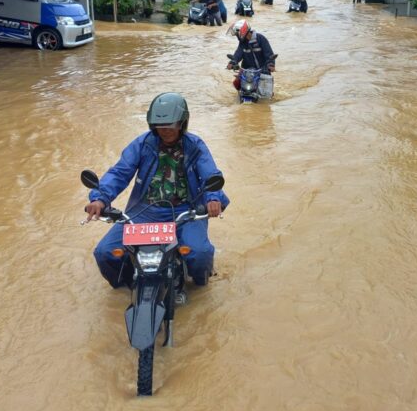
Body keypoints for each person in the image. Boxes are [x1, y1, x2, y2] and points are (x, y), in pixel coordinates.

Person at [84, 93, 229, 289]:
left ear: (182, 123)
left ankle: (201, 284)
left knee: (200, 253)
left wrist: (213, 198)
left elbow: (210, 173)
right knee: (105, 252)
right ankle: (127, 285)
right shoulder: (142, 144)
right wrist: (100, 199)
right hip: (145, 211)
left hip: (186, 211)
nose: (165, 130)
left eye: (171, 125)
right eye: (160, 126)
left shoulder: (195, 146)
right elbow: (119, 172)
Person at [226, 19, 276, 90]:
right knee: (236, 84)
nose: (237, 37)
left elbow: (269, 54)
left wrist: (271, 65)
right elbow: (238, 54)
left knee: (267, 91)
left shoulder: (261, 39)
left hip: (263, 70)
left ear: (243, 31)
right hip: (247, 71)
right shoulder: (242, 43)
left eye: (237, 34)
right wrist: (232, 62)